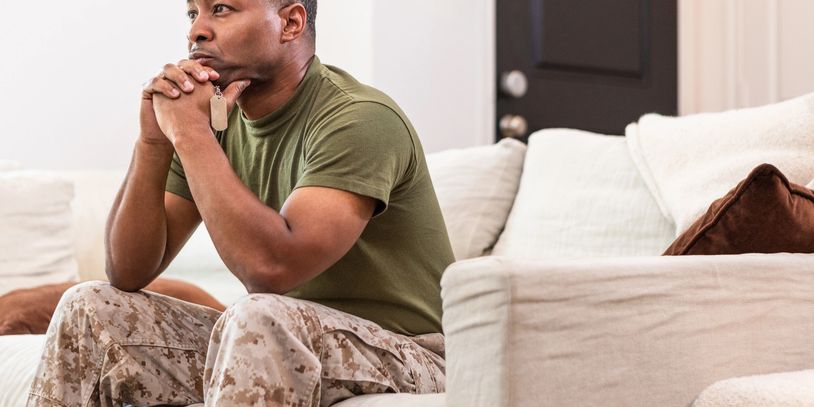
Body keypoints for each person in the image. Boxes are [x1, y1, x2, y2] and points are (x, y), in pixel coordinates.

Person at [27, 0, 454, 405]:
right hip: (284, 335)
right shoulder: (213, 123)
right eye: (192, 12)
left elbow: (272, 269)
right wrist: (154, 141)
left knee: (259, 317)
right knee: (91, 308)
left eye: (222, 9)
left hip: (412, 353)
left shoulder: (359, 118)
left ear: (290, 23)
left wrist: (190, 134)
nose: (196, 30)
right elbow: (127, 270)